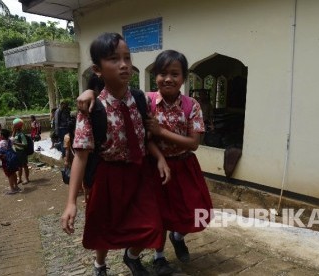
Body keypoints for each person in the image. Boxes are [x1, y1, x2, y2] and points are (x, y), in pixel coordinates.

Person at [60, 32, 170, 276]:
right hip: (107, 177)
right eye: (113, 59)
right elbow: (80, 155)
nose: (123, 65)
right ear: (98, 69)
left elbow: (144, 138)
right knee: (103, 228)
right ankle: (100, 265)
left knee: (153, 225)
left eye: (127, 58)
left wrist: (160, 158)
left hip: (139, 173)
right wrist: (71, 202)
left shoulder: (141, 99)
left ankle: (131, 256)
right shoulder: (91, 109)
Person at [145, 50, 214, 275]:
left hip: (185, 165)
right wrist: (89, 91)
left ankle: (178, 236)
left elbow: (193, 143)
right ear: (155, 76)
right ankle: (159, 257)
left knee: (197, 209)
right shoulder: (147, 102)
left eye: (175, 73)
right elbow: (145, 138)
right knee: (161, 214)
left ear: (184, 78)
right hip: (157, 166)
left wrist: (160, 131)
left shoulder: (191, 105)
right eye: (162, 73)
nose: (168, 79)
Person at [0, 129, 21, 195]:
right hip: (13, 160)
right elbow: (13, 136)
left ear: (2, 136)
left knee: (9, 175)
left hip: (6, 161)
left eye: (0, 134)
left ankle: (12, 189)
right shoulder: (10, 140)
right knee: (13, 173)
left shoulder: (0, 144)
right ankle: (16, 187)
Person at [12, 119, 30, 185]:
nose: (12, 127)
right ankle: (20, 179)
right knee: (19, 166)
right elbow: (12, 137)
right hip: (17, 151)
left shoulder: (21, 135)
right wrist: (14, 130)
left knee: (24, 165)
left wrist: (16, 144)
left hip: (22, 152)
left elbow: (25, 144)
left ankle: (27, 179)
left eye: (14, 126)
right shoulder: (16, 133)